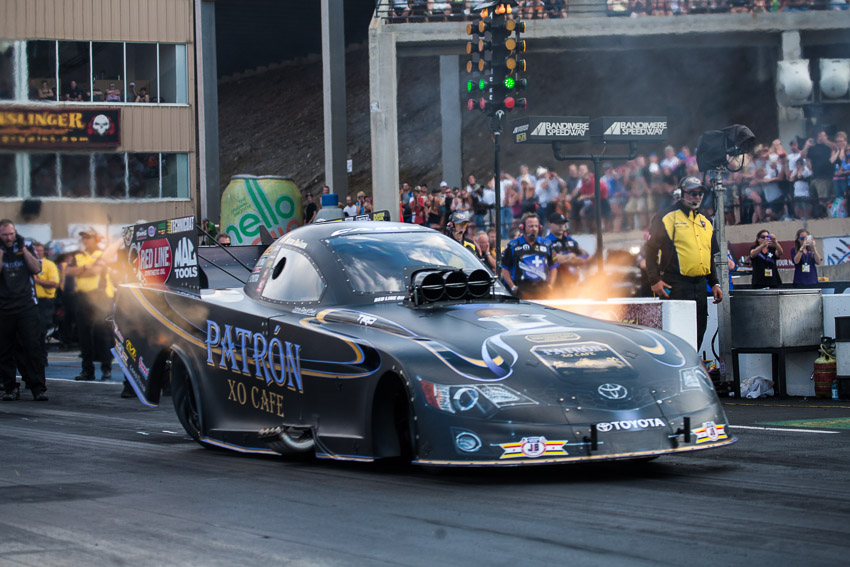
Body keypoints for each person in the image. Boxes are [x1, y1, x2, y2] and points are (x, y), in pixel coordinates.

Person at [645, 177, 723, 350]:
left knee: (699, 329)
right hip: (675, 283)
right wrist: (654, 280)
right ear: (681, 194)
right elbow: (650, 250)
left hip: (701, 285)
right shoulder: (666, 217)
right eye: (692, 193)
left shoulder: (706, 222)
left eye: (699, 193)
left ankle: (693, 363)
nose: (696, 197)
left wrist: (715, 283)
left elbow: (708, 255)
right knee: (677, 331)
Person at [0, 220, 48, 401]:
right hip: (3, 307)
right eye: (4, 235)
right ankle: (10, 387)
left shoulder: (26, 245)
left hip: (26, 305)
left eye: (11, 234)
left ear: (15, 232)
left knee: (32, 347)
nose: (8, 238)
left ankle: (38, 388)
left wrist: (23, 251)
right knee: (4, 350)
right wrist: (2, 253)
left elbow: (37, 269)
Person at [65, 228, 114, 381]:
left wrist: (81, 270)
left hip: (100, 296)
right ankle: (88, 371)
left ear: (95, 239)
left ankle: (106, 368)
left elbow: (95, 272)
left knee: (102, 334)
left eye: (88, 237)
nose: (85, 240)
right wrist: (86, 268)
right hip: (82, 297)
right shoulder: (78, 255)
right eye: (84, 238)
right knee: (84, 334)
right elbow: (69, 271)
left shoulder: (102, 254)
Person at [501, 212, 557, 300]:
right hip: (521, 291)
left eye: (536, 226)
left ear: (540, 227)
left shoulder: (547, 244)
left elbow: (553, 267)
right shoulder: (513, 245)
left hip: (542, 291)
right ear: (522, 227)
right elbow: (505, 269)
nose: (534, 229)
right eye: (531, 226)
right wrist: (513, 287)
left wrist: (550, 285)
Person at [544, 212, 589, 292]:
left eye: (563, 223)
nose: (561, 225)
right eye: (558, 223)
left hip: (574, 284)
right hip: (556, 285)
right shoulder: (545, 242)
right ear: (550, 224)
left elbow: (586, 257)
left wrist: (570, 259)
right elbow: (555, 259)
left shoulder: (570, 240)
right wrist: (571, 257)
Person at [32, 242, 60, 368]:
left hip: (44, 301)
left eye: (40, 250)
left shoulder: (49, 265)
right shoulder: (29, 264)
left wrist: (37, 281)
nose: (38, 252)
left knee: (41, 331)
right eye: (35, 250)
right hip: (31, 301)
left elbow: (55, 283)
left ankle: (42, 359)